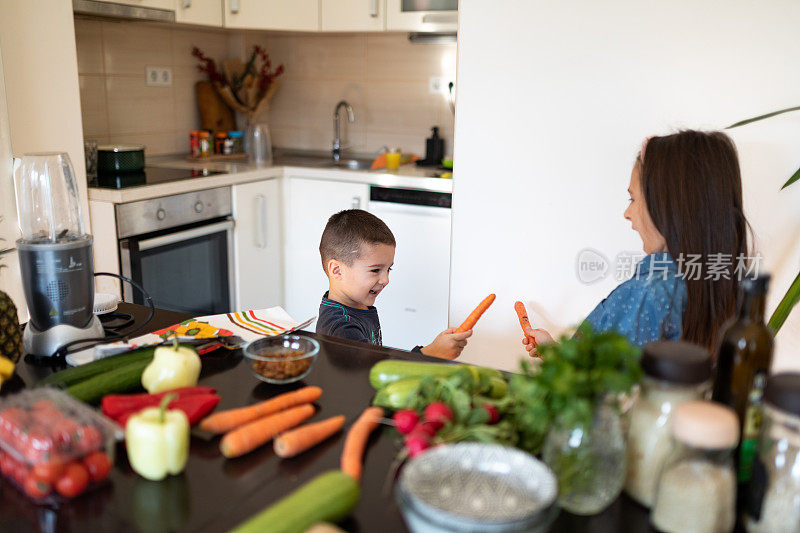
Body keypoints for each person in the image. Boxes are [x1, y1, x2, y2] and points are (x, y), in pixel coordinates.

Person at [524, 130, 750, 356]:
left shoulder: (647, 294)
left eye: (633, 199)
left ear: (669, 208)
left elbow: (603, 386)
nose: (627, 213)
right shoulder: (712, 285)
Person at [316, 209, 471, 359]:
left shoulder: (357, 305)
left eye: (388, 269)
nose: (386, 280)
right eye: (375, 270)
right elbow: (376, 370)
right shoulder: (340, 329)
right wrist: (430, 353)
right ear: (337, 271)